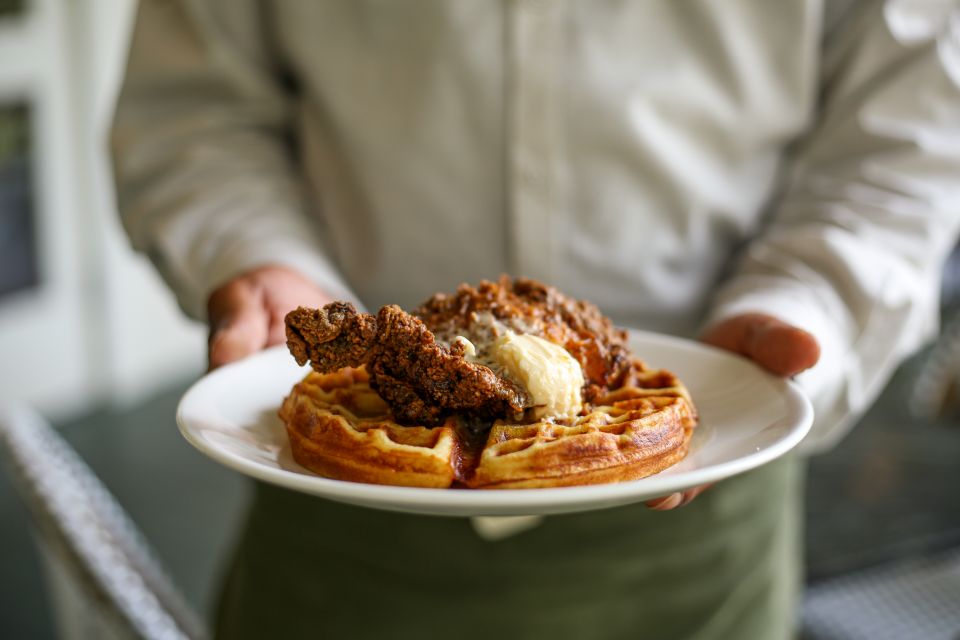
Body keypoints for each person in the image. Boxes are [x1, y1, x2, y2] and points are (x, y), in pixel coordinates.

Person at [111, 1, 960, 638]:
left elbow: (909, 121)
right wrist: (259, 254)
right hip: (341, 517)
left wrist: (805, 293)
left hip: (700, 518)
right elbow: (196, 107)